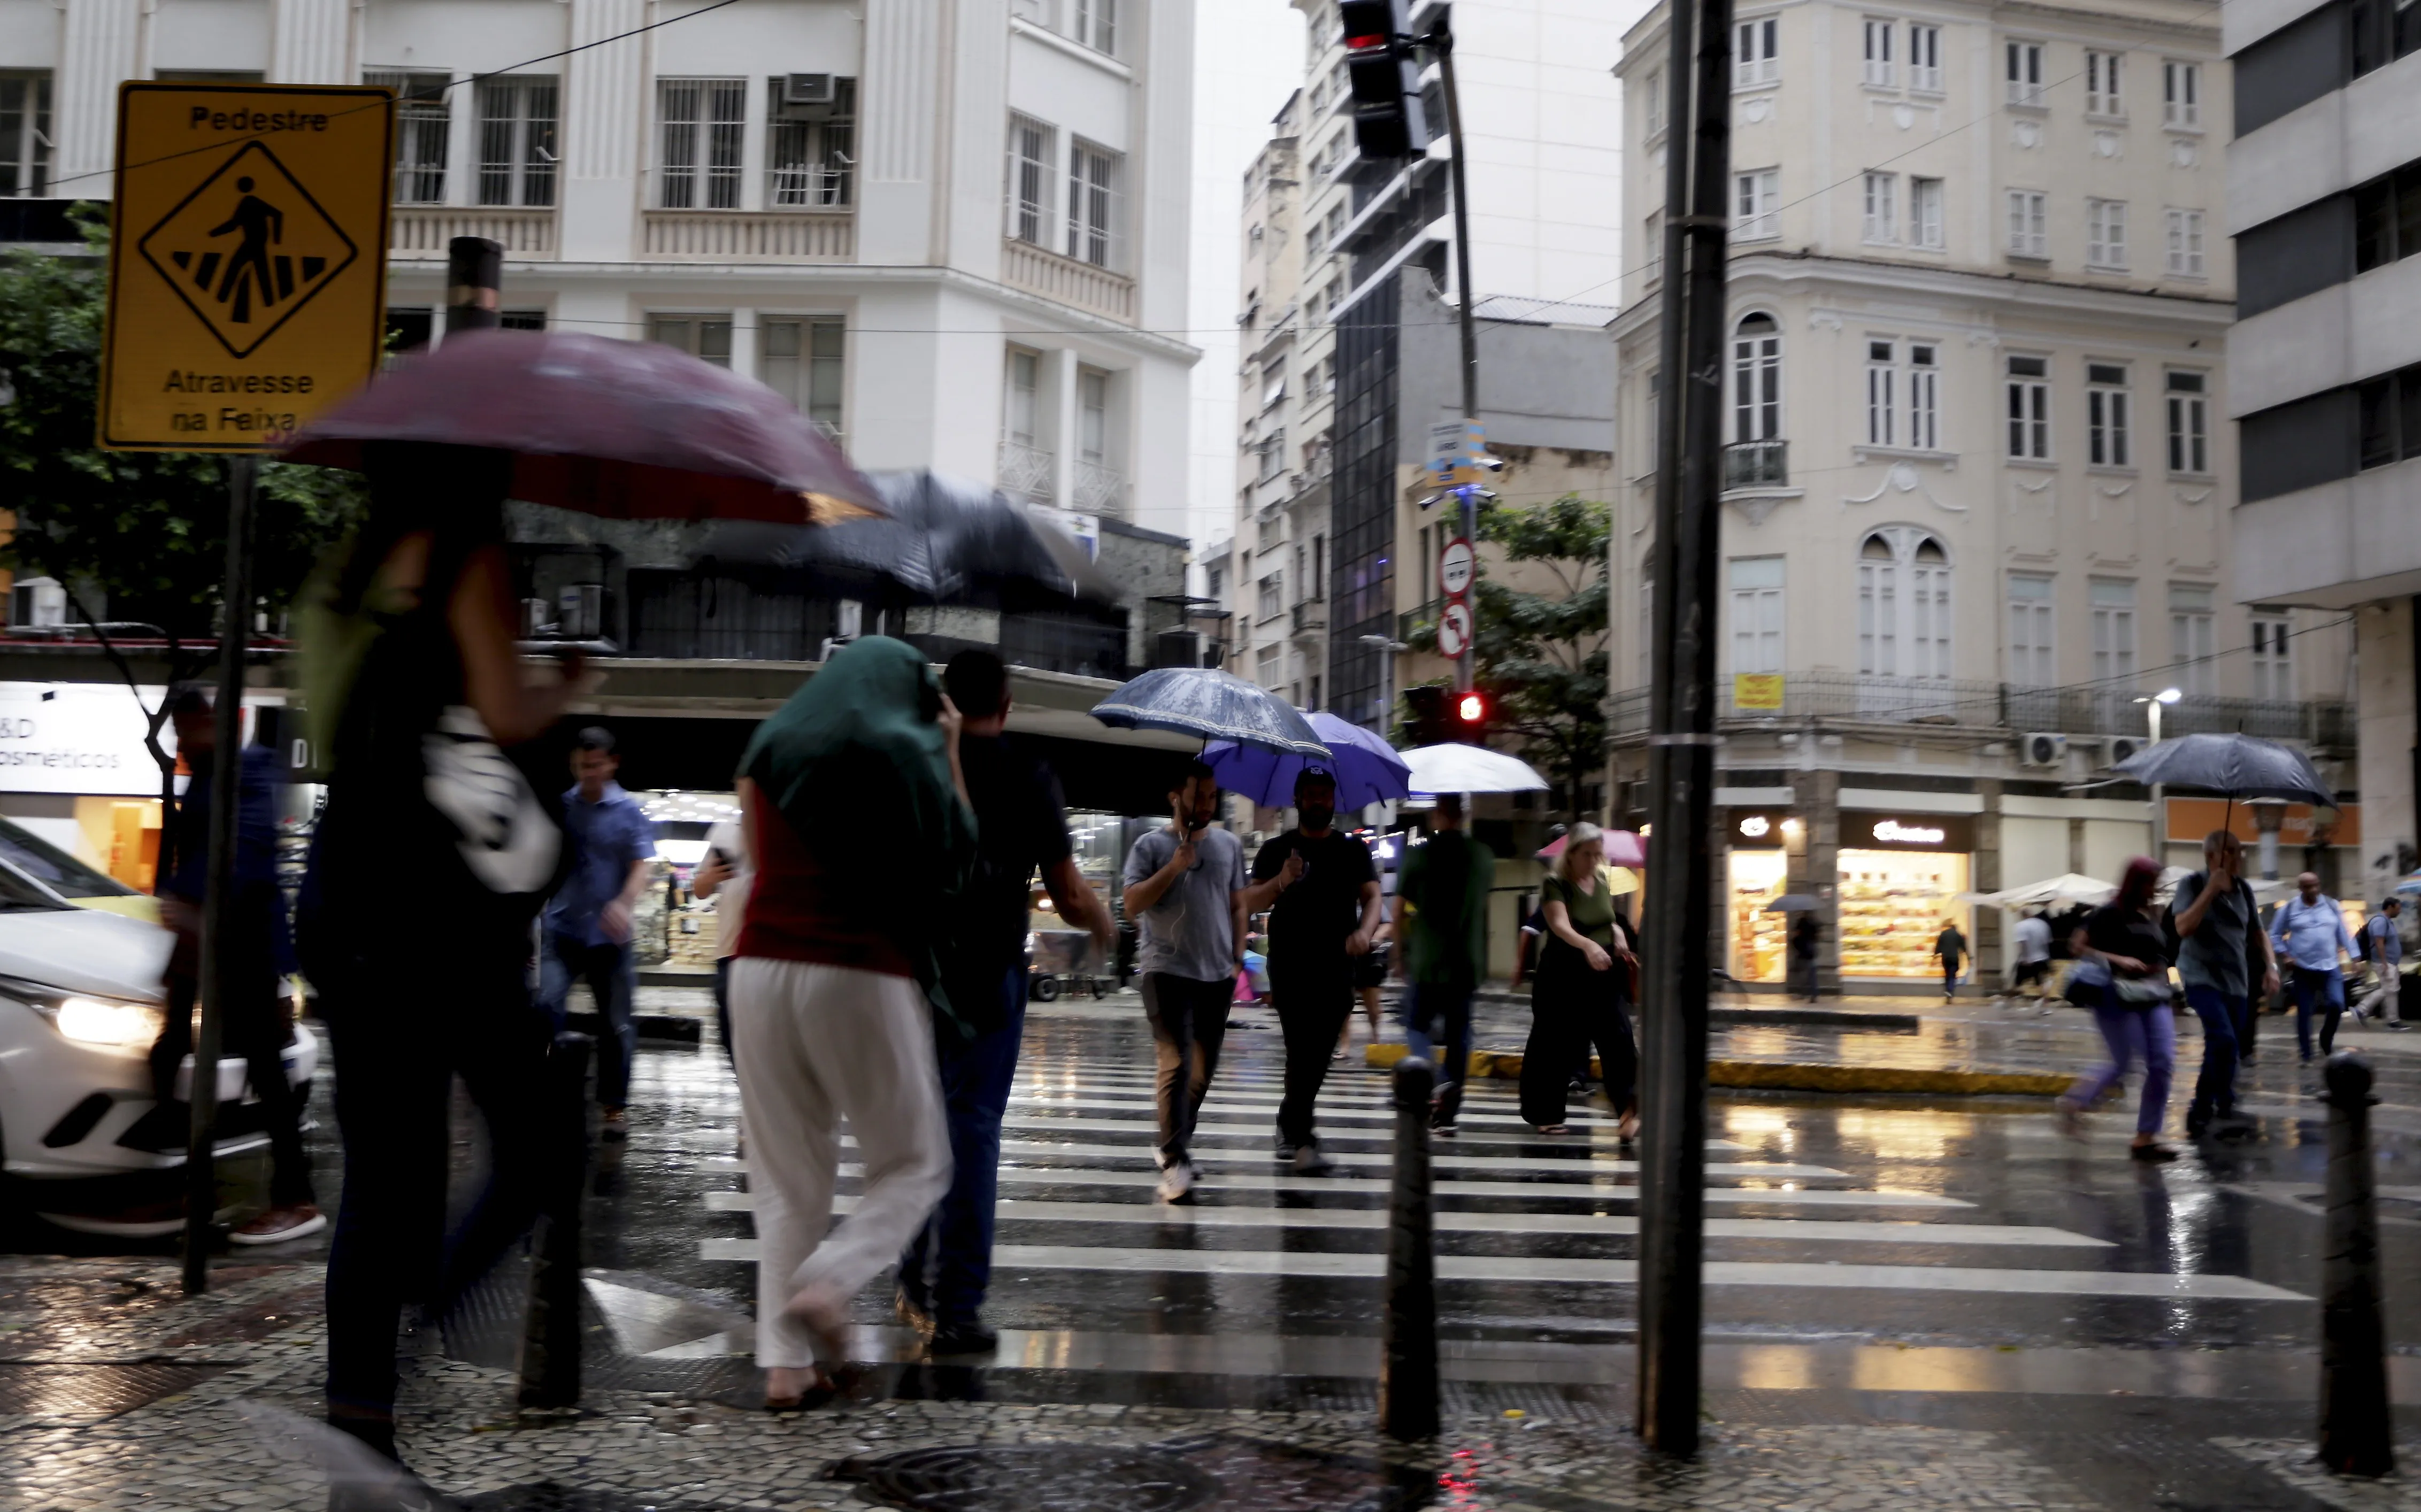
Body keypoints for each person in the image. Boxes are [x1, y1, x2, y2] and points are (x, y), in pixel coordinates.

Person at [297, 442, 576, 1471]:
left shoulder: (350, 570)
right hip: (439, 907)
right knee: (543, 1146)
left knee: (384, 1171)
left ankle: (361, 1415)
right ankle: (433, 1314)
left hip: (348, 889)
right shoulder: (470, 558)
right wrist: (568, 683)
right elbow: (505, 714)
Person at [726, 636, 969, 1408]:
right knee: (915, 1162)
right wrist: (950, 747)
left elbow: (758, 858)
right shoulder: (902, 746)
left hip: (758, 970)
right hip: (858, 969)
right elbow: (956, 861)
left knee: (786, 1182)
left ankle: (785, 1367)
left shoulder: (772, 740)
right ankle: (829, 1287)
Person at [897, 651, 1115, 1353]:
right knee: (973, 1129)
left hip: (917, 973)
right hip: (989, 974)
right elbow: (1069, 892)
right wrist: (1103, 923)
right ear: (1009, 702)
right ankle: (957, 1307)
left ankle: (910, 1276)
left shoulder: (917, 763)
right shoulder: (1030, 774)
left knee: (920, 1125)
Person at [141, 685, 320, 1243]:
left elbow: (246, 848)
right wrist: (175, 892)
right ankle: (179, 1180)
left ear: (213, 722)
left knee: (262, 1068)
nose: (182, 742)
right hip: (202, 940)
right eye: (177, 733)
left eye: (189, 729)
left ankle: (295, 1194)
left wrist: (184, 895)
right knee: (173, 1050)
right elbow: (197, 849)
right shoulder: (206, 773)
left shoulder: (252, 766)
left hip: (241, 942)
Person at [1121, 761, 1250, 1202]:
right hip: (1165, 969)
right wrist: (1174, 867)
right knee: (1175, 1061)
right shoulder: (1149, 846)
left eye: (1214, 797)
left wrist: (1237, 959)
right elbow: (1132, 904)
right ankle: (1175, 1159)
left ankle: (1173, 1141)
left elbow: (1237, 905)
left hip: (1216, 973)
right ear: (1175, 797)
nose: (1207, 805)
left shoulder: (1229, 846)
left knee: (1201, 1072)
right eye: (1199, 796)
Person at [1245, 769, 1383, 1174]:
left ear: (1333, 799)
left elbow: (1373, 896)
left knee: (1317, 1053)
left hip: (1338, 965)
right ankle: (1303, 1139)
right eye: (1310, 795)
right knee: (1300, 1049)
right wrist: (1282, 880)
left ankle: (1289, 1122)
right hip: (1289, 965)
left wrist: (1365, 930)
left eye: (1324, 794)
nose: (1318, 801)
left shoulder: (1353, 850)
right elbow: (1250, 902)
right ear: (1297, 799)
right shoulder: (1276, 849)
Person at [537, 727, 657, 1138]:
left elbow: (643, 864)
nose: (586, 773)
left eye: (594, 765)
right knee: (545, 1007)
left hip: (612, 939)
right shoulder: (561, 808)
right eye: (580, 765)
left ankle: (614, 1106)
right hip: (563, 931)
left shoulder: (628, 812)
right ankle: (542, 1094)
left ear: (611, 763)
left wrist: (624, 903)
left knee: (617, 1024)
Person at [1519, 823, 1640, 1139]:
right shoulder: (1555, 884)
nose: (1592, 860)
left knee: (1619, 1040)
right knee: (1553, 1044)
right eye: (1586, 854)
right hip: (1563, 973)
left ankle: (1628, 1112)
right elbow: (1559, 925)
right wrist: (1587, 945)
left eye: (1597, 854)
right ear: (1571, 855)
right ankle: (1545, 1114)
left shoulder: (1600, 880)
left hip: (1602, 973)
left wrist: (1617, 932)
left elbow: (1607, 916)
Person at [2055, 858, 2179, 1161]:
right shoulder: (2110, 912)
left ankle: (2146, 1137)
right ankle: (2074, 1104)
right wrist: (2117, 959)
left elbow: (2161, 953)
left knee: (2162, 1062)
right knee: (2123, 1062)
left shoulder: (2152, 914)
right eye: (2152, 881)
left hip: (2153, 993)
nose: (2156, 887)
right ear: (2136, 883)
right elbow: (2077, 946)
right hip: (2116, 994)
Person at [1393, 793, 1494, 1133]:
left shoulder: (1420, 856)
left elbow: (1399, 909)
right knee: (1459, 1034)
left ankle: (1431, 1079)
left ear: (1437, 815)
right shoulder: (1482, 856)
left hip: (1427, 958)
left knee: (1416, 1025)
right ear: (1463, 816)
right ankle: (1449, 1107)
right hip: (1466, 960)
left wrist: (1398, 954)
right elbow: (1482, 905)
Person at [2170, 829, 2280, 1140]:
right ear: (2211, 856)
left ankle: (2223, 1102)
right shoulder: (2191, 884)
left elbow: (2259, 933)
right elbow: (2183, 927)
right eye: (2230, 851)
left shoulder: (2244, 889)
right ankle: (2202, 1107)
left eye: (2240, 850)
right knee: (2224, 1039)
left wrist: (2271, 967)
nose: (2238, 857)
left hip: (2237, 980)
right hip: (2201, 976)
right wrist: (2210, 891)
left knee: (2227, 1046)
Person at [2269, 871, 2358, 1062]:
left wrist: (2356, 957)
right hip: (2303, 968)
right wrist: (2286, 955)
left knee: (2337, 1005)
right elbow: (2274, 935)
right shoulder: (2290, 908)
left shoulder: (2332, 905)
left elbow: (2344, 933)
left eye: (2316, 885)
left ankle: (2326, 1038)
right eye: (2308, 887)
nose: (2314, 890)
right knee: (2304, 1011)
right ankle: (2306, 1053)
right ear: (2300, 888)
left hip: (2330, 966)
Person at [693, 806, 754, 1073]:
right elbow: (700, 890)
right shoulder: (726, 830)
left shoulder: (786, 828)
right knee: (730, 1034)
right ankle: (749, 1097)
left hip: (770, 949)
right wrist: (710, 877)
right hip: (730, 951)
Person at [2355, 897, 2408, 1027]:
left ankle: (2391, 1019)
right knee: (2390, 989)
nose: (2399, 911)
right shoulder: (2380, 921)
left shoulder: (2387, 921)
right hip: (2384, 962)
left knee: (2391, 989)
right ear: (2390, 907)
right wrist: (2384, 962)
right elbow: (2379, 943)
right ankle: (2362, 1010)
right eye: (2398, 908)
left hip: (2389, 962)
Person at [2008, 910, 2053, 1009]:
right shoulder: (2043, 924)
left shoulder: (2021, 926)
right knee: (2042, 983)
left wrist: (2026, 957)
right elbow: (2047, 942)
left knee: (2017, 983)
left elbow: (2023, 943)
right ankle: (2046, 1006)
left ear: (2023, 915)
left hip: (2027, 960)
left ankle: (2009, 1002)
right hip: (2042, 957)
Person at [1788, 911, 1821, 1004]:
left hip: (1803, 951)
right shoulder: (1815, 923)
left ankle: (1802, 993)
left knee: (1801, 972)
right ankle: (1813, 994)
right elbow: (1818, 936)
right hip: (1812, 950)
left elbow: (1797, 935)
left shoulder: (1802, 922)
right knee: (1811, 973)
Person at [1932, 919, 1967, 1000]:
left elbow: (1939, 946)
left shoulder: (1944, 934)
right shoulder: (1958, 935)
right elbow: (1963, 947)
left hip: (1946, 957)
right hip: (1955, 957)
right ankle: (1950, 990)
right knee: (1953, 974)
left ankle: (1948, 989)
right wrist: (1967, 956)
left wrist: (1935, 954)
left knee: (1947, 973)